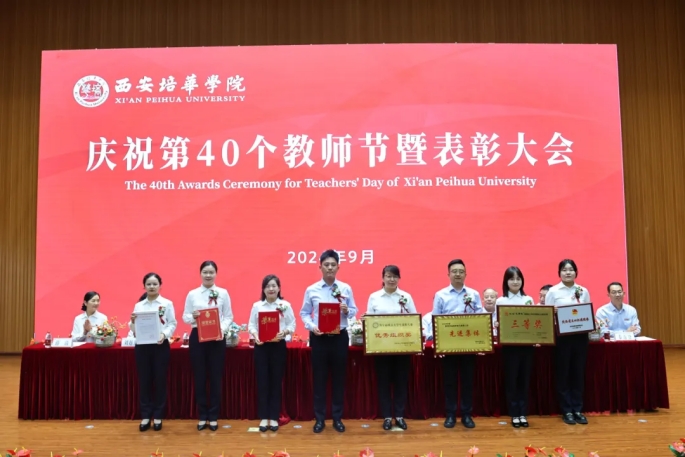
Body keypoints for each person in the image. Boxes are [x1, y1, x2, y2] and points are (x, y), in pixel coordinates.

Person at [300, 249, 358, 433]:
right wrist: (312, 327)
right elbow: (304, 313)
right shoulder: (312, 289)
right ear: (320, 267)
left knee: (339, 380)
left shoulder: (346, 288)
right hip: (319, 339)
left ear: (338, 267)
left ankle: (337, 419)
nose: (330, 268)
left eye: (333, 265)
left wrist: (347, 311)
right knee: (319, 380)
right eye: (326, 265)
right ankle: (319, 419)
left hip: (340, 338)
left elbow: (354, 310)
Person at [182, 260, 233, 431]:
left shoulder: (223, 293)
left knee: (216, 377)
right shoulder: (192, 294)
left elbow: (228, 316)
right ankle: (202, 415)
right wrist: (193, 316)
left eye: (211, 272)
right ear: (200, 274)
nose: (208, 275)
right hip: (198, 337)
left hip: (217, 339)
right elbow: (185, 317)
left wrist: (221, 329)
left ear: (216, 274)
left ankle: (213, 416)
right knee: (200, 377)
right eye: (205, 272)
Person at [432, 259, 483, 429]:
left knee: (468, 381)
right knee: (450, 381)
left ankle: (467, 414)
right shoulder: (440, 295)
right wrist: (438, 344)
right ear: (448, 274)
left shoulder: (474, 294)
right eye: (454, 271)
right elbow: (435, 319)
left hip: (469, 344)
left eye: (461, 271)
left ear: (466, 274)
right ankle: (451, 414)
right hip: (449, 345)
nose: (458, 274)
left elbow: (481, 318)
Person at [366, 265, 417, 431]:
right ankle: (387, 417)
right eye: (388, 276)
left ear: (399, 279)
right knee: (384, 382)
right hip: (381, 348)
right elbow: (370, 322)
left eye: (395, 276)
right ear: (383, 278)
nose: (391, 279)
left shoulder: (406, 297)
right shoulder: (374, 297)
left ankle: (400, 416)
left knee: (401, 381)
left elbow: (414, 319)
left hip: (402, 347)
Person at [544, 259, 591, 426]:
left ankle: (578, 409)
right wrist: (552, 311)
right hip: (562, 338)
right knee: (563, 373)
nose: (568, 272)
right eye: (564, 270)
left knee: (578, 373)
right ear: (559, 273)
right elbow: (546, 315)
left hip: (580, 337)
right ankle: (567, 410)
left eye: (571, 269)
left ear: (576, 272)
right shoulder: (553, 291)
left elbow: (587, 311)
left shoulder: (583, 290)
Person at [128, 272, 177, 432]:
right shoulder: (139, 306)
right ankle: (145, 415)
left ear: (160, 286)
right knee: (145, 381)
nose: (152, 286)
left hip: (160, 345)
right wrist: (132, 322)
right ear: (144, 286)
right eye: (148, 284)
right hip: (143, 346)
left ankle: (158, 415)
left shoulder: (167, 303)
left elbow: (172, 323)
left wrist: (164, 334)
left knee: (160, 381)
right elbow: (134, 329)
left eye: (155, 284)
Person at [247, 275, 296, 432]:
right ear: (263, 289)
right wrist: (255, 336)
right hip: (261, 347)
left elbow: (292, 324)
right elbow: (251, 325)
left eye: (274, 286)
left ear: (279, 288)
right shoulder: (257, 306)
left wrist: (285, 332)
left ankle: (274, 417)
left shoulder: (285, 305)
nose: (271, 289)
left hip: (278, 346)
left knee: (275, 381)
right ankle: (263, 417)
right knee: (262, 382)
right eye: (268, 286)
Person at [495, 267, 536, 428]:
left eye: (518, 279)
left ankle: (523, 412)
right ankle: (514, 413)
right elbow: (496, 323)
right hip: (510, 347)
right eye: (512, 279)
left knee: (524, 380)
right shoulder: (501, 301)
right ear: (506, 281)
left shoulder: (528, 300)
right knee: (512, 380)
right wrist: (497, 325)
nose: (515, 282)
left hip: (527, 346)